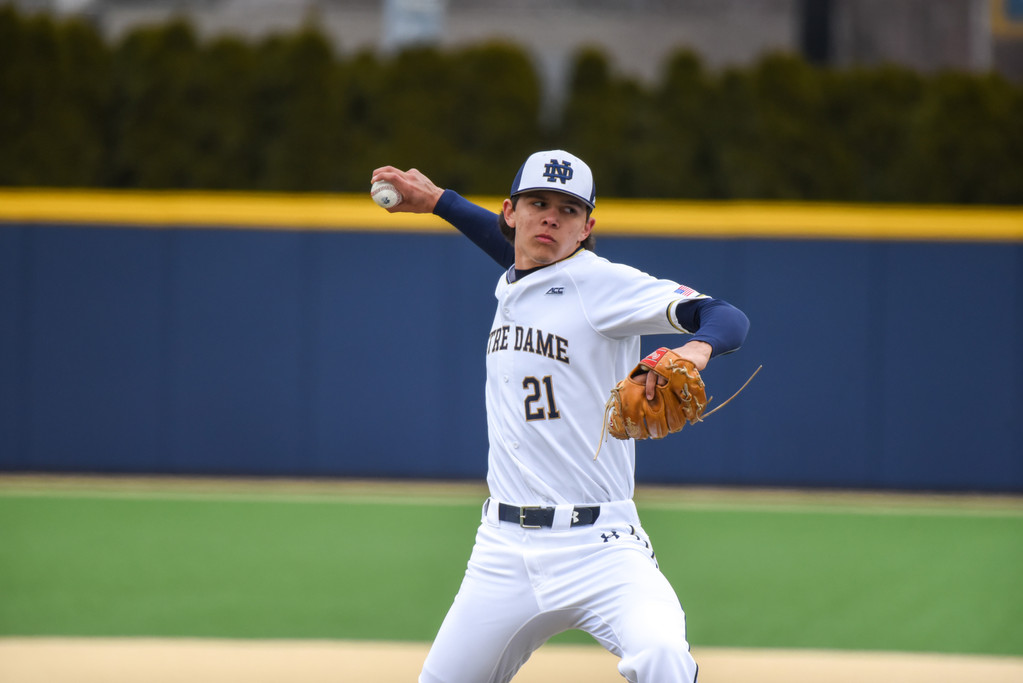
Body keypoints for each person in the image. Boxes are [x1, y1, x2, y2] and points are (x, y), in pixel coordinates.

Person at [371, 150, 749, 683]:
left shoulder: (603, 284)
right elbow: (517, 256)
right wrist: (439, 202)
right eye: (538, 203)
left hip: (601, 546)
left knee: (662, 655)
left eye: (569, 210)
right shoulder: (517, 278)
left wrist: (696, 350)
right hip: (503, 548)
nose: (551, 217)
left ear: (587, 227)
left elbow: (726, 315)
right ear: (510, 211)